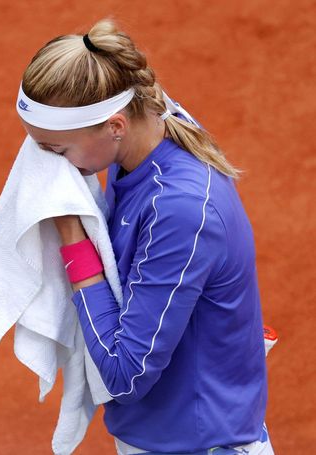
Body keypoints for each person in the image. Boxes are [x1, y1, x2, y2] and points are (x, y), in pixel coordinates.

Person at [15, 18, 274, 455]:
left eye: (58, 152)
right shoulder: (144, 132)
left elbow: (125, 375)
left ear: (115, 126)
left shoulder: (180, 208)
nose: (52, 169)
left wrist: (71, 235)